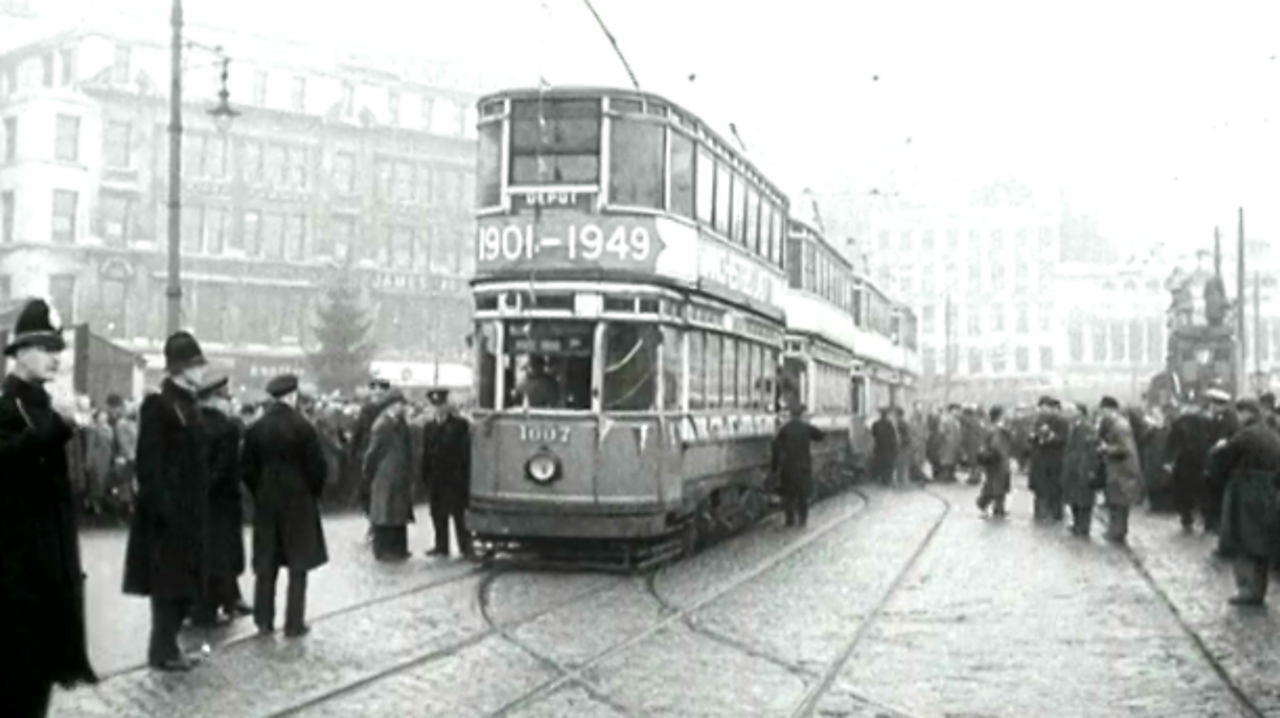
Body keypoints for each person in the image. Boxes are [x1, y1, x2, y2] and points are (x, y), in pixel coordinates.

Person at [0, 299, 97, 715]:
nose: (57, 358)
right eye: (45, 347)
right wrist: (58, 426)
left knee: (37, 688)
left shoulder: (44, 405)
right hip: (13, 578)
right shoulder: (7, 406)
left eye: (59, 348)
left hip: (50, 574)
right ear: (20, 352)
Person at [123, 331, 211, 671]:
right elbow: (150, 464)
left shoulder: (188, 403)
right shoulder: (159, 405)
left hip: (190, 511)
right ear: (181, 368)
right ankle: (162, 650)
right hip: (169, 515)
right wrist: (165, 510)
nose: (202, 371)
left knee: (184, 583)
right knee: (168, 585)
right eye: (197, 365)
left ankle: (168, 646)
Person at [241, 374, 329, 638]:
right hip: (298, 504)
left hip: (267, 503)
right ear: (292, 396)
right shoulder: (304, 427)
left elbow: (246, 468)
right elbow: (318, 468)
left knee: (266, 563)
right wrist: (310, 491)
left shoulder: (256, 428)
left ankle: (263, 620)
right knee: (298, 564)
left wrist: (260, 490)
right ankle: (294, 623)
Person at [191, 377, 251, 627]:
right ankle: (215, 605)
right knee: (220, 556)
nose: (229, 403)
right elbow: (226, 468)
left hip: (191, 502)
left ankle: (196, 606)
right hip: (221, 504)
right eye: (226, 398)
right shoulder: (227, 428)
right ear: (215, 399)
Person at [1212, 398, 1280, 606]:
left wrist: (1218, 450)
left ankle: (1246, 589)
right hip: (1268, 491)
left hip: (1244, 492)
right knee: (1261, 543)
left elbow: (1223, 461)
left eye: (1240, 412)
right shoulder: (1271, 434)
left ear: (1246, 413)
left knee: (1241, 541)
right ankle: (1259, 589)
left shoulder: (1244, 436)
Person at [363, 388, 415, 561]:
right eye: (401, 404)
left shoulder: (399, 423)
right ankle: (383, 550)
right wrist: (368, 472)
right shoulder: (382, 425)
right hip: (385, 476)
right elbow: (373, 452)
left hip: (398, 475)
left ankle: (398, 549)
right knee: (385, 513)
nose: (403, 407)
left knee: (397, 513)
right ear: (392, 406)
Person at [422, 387, 474, 557]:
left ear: (447, 405)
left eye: (441, 404)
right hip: (436, 478)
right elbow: (426, 453)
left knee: (459, 514)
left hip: (454, 478)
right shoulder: (429, 427)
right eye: (435, 405)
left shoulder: (460, 425)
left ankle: (465, 546)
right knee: (437, 514)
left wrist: (464, 477)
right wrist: (425, 475)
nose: (439, 408)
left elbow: (465, 453)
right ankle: (441, 546)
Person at [1097, 396, 1144, 544]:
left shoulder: (1120, 426)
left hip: (1122, 470)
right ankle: (1115, 530)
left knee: (1119, 502)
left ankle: (1118, 532)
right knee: (1115, 500)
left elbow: (1125, 449)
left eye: (1103, 410)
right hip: (1119, 469)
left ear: (1110, 409)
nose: (1102, 414)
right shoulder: (1118, 424)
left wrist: (1106, 449)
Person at [770, 402, 825, 528]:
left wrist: (774, 468)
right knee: (802, 495)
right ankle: (802, 520)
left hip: (788, 467)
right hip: (803, 467)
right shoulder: (806, 428)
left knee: (788, 495)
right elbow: (820, 436)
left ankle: (789, 520)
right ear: (801, 415)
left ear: (790, 415)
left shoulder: (784, 429)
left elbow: (775, 447)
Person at [1167, 400, 1215, 533]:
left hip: (1183, 461)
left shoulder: (1178, 422)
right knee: (1202, 491)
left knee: (1183, 493)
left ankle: (1186, 520)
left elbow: (1171, 442)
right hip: (1201, 461)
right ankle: (1206, 520)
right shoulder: (1206, 421)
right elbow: (1211, 439)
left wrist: (1172, 459)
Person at [1061, 403, 1102, 537]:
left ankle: (1083, 526)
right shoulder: (1074, 427)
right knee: (1074, 498)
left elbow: (1091, 450)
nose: (1068, 413)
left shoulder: (1087, 428)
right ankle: (1077, 523)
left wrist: (1091, 469)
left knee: (1084, 500)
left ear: (1080, 412)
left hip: (1083, 468)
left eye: (1072, 410)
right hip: (1073, 468)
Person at [1203, 388, 1240, 534]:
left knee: (1219, 492)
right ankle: (1211, 522)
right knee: (1212, 492)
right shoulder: (1216, 417)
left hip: (1223, 461)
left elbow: (1224, 439)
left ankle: (1217, 523)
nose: (1211, 407)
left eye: (1214, 404)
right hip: (1215, 461)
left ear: (1221, 405)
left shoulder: (1229, 418)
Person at [1029, 396, 1069, 522]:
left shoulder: (1062, 421)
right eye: (1041, 408)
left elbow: (1065, 439)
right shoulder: (1037, 420)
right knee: (1040, 489)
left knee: (1055, 488)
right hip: (1039, 460)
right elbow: (1031, 436)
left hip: (1055, 460)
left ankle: (1056, 513)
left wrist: (1052, 438)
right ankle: (1041, 513)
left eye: (1044, 408)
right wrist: (1034, 437)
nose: (1042, 411)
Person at [976, 405, 1012, 518]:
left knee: (996, 484)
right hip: (998, 460)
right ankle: (991, 505)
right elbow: (997, 446)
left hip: (997, 460)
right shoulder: (997, 430)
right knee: (997, 484)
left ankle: (996, 507)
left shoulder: (992, 428)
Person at [871, 407, 899, 487]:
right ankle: (886, 480)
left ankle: (883, 479)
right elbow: (893, 437)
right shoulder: (889, 424)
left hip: (880, 447)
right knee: (887, 464)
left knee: (881, 463)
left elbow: (873, 435)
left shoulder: (876, 424)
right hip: (887, 448)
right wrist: (894, 448)